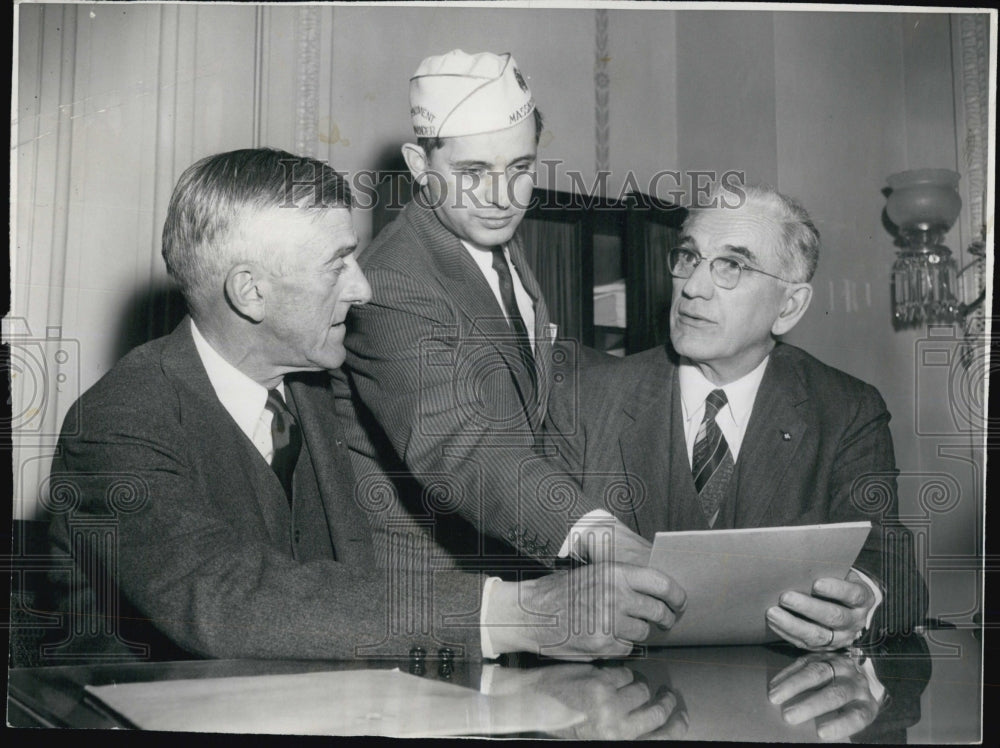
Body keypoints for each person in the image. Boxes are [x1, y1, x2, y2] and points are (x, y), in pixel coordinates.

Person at [43, 147, 684, 664]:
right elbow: (225, 600)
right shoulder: (119, 423)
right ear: (250, 292)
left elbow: (459, 448)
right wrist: (516, 614)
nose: (364, 286)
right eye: (338, 263)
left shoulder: (318, 387)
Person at [548, 184, 927, 649]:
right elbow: (536, 572)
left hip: (783, 704)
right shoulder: (586, 398)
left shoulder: (846, 409)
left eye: (733, 266)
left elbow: (893, 569)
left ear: (788, 307)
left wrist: (861, 604)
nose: (693, 288)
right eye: (689, 258)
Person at [340, 50, 645, 571]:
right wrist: (594, 533)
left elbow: (527, 380)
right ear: (420, 166)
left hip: (509, 555)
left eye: (521, 167)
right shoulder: (392, 281)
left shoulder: (485, 238)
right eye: (473, 171)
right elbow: (466, 447)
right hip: (432, 590)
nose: (503, 196)